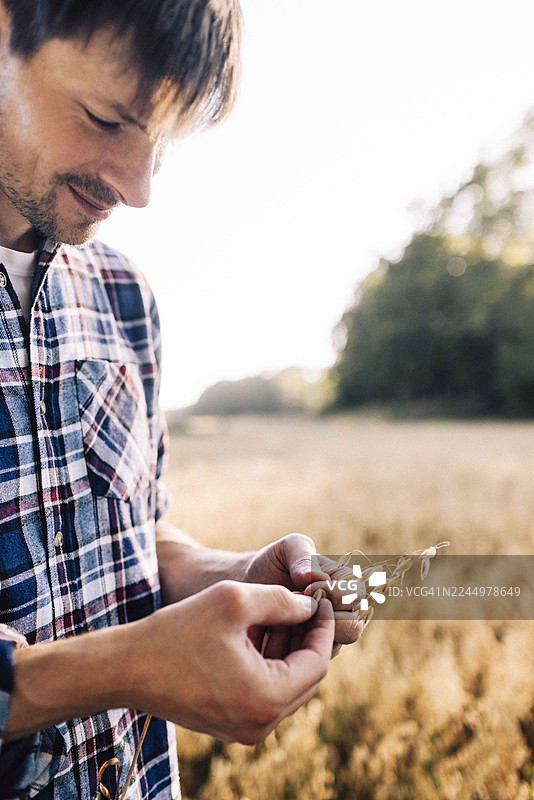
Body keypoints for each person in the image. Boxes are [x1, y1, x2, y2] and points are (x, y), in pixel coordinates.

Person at [0, 1, 362, 797]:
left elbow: (132, 537)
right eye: (106, 119)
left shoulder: (124, 294)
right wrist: (132, 667)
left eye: (161, 141)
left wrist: (231, 577)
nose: (138, 188)